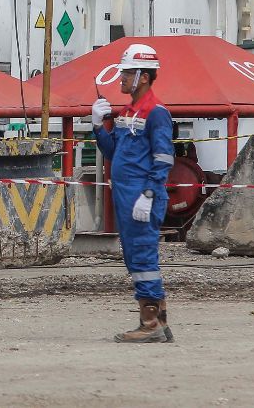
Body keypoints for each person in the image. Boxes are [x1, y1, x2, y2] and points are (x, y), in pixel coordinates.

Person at [91, 43, 174, 343]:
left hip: (141, 197)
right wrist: (99, 127)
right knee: (135, 258)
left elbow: (164, 157)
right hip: (128, 196)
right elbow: (114, 151)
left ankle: (150, 323)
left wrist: (150, 193)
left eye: (126, 73)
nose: (121, 78)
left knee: (141, 259)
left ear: (143, 76)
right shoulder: (127, 113)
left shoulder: (156, 113)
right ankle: (159, 321)